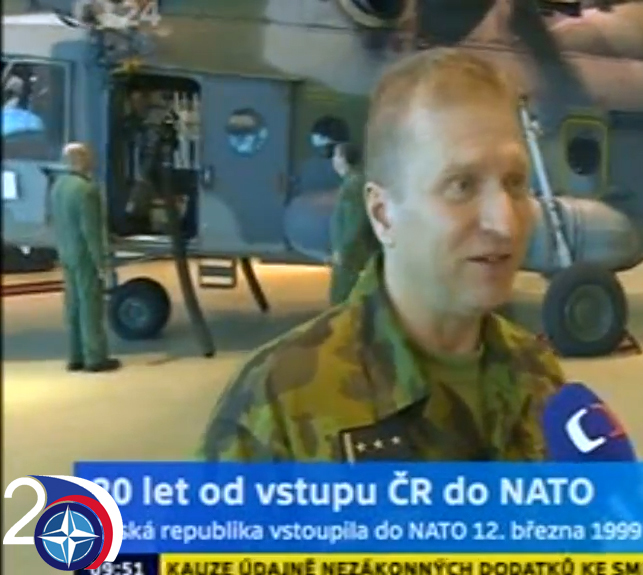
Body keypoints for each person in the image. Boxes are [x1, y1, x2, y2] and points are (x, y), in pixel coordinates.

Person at [198, 48, 565, 462]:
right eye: (461, 185)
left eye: (515, 183)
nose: (506, 223)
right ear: (383, 215)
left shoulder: (540, 377)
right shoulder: (280, 403)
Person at [50, 142, 121, 373]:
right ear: (80, 160)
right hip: (84, 257)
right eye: (89, 157)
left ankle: (75, 355)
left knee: (72, 305)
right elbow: (91, 232)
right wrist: (102, 262)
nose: (94, 161)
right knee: (91, 306)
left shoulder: (58, 186)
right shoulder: (87, 190)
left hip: (66, 252)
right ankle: (95, 357)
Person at [328, 142, 377, 305]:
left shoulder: (353, 185)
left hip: (351, 259)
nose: (333, 160)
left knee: (343, 302)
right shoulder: (356, 181)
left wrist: (344, 252)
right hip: (353, 256)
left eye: (336, 155)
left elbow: (353, 223)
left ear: (343, 159)